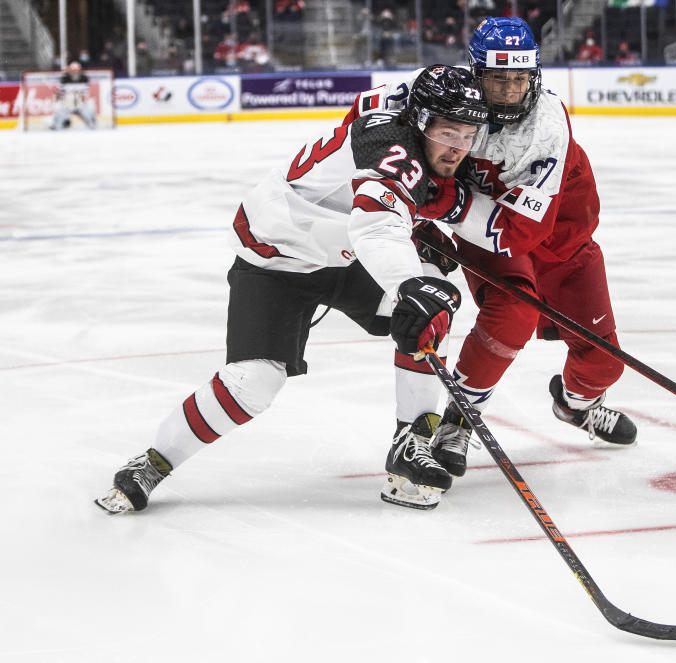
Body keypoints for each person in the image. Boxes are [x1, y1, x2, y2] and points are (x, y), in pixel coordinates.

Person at [95, 65, 490, 514]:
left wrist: (415, 239)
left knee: (430, 304)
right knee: (254, 383)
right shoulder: (392, 143)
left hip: (340, 249)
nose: (459, 147)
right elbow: (377, 224)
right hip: (276, 258)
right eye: (449, 133)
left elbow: (382, 210)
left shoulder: (410, 121)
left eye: (467, 135)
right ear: (420, 120)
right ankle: (153, 462)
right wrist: (408, 279)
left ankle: (411, 440)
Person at [344, 17, 637, 501]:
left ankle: (576, 404)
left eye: (519, 78)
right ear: (476, 72)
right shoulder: (451, 102)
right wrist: (415, 221)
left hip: (558, 240)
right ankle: (459, 419)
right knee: (513, 313)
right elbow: (390, 143)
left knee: (604, 362)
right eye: (497, 78)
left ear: (534, 76)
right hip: (487, 232)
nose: (508, 90)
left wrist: (440, 203)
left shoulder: (546, 124)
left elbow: (523, 230)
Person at [50, 61, 97, 130]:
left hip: (80, 103)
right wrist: (61, 99)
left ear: (79, 70)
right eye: (73, 70)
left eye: (76, 70)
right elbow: (60, 92)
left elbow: (85, 93)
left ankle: (92, 125)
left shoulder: (84, 79)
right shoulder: (64, 79)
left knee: (90, 108)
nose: (75, 72)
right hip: (68, 103)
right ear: (70, 70)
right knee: (58, 111)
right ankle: (55, 125)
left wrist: (83, 101)